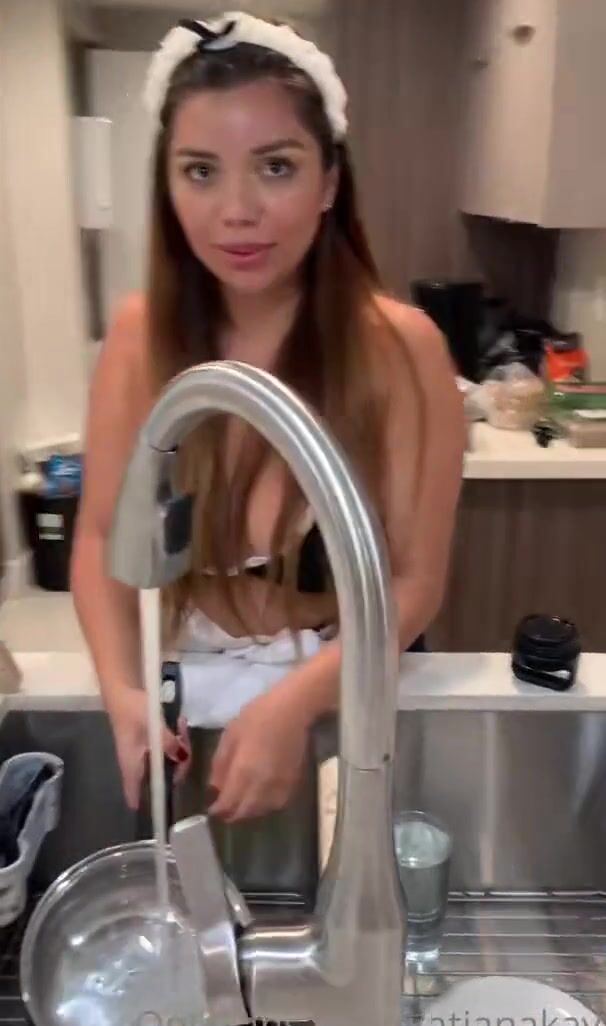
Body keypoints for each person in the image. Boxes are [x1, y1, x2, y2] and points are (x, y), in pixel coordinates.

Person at [71, 11, 465, 824]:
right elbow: (100, 541)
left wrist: (295, 701)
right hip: (186, 681)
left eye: (276, 167)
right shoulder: (141, 338)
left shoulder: (401, 350)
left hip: (341, 676)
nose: (237, 210)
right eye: (201, 171)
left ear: (329, 183)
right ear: (168, 185)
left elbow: (413, 584)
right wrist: (122, 691)